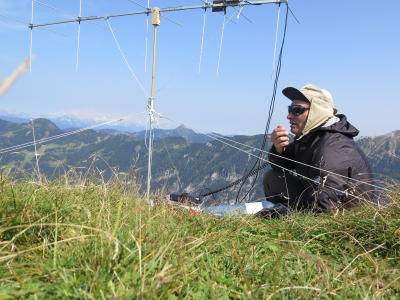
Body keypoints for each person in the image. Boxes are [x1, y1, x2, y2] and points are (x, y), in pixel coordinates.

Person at [263, 84, 375, 212]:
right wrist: (279, 149)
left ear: (317, 112)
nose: (289, 116)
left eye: (297, 110)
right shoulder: (311, 136)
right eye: (290, 109)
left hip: (346, 216)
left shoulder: (333, 147)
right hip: (316, 197)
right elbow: (282, 166)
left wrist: (284, 213)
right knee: (273, 177)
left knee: (274, 184)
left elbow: (326, 202)